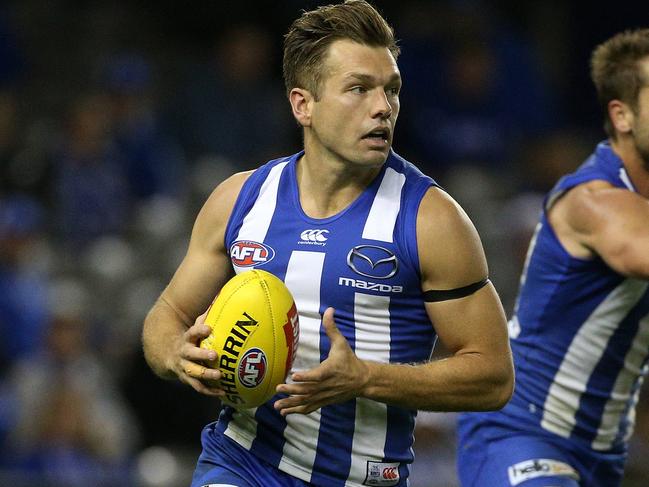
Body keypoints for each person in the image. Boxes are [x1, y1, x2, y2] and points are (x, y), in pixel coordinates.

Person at [142, 2, 513, 486]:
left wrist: (366, 378)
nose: (383, 107)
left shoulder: (431, 221)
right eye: (359, 88)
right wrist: (176, 353)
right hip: (242, 462)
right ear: (304, 105)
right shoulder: (241, 199)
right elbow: (164, 315)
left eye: (392, 89)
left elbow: (493, 375)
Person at [457, 28, 649, 487]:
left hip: (601, 454)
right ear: (621, 116)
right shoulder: (594, 199)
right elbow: (639, 250)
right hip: (520, 432)